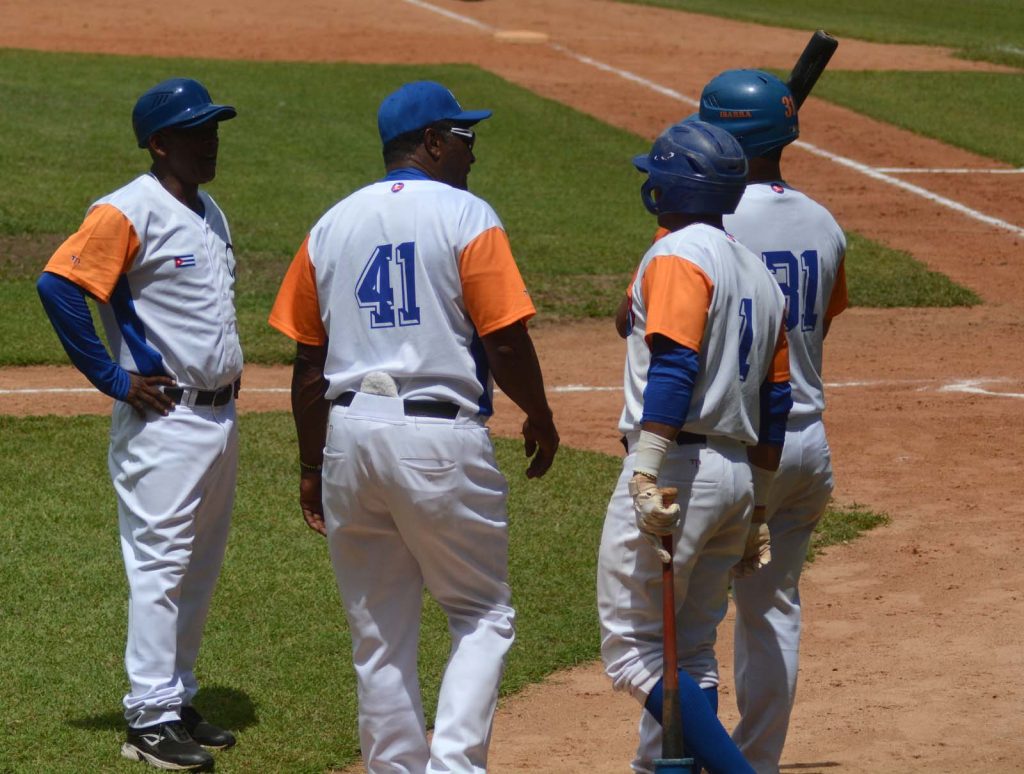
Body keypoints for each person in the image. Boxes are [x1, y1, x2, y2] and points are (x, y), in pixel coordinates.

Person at [268, 80, 559, 773]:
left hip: (349, 439)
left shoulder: (329, 224)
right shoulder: (466, 215)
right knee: (481, 614)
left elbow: (309, 367)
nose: (472, 152)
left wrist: (313, 466)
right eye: (464, 137)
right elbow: (507, 342)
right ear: (430, 142)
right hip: (436, 438)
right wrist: (541, 414)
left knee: (379, 637)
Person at [36, 78, 242, 771]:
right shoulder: (127, 210)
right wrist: (114, 379)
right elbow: (58, 285)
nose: (211, 141)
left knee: (199, 570)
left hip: (219, 419)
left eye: (213, 128)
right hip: (165, 423)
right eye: (196, 132)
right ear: (160, 144)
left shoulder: (209, 211)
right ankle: (147, 719)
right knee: (159, 569)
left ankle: (177, 698)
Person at [597, 119, 792, 774]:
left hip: (678, 468)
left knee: (632, 653)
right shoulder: (760, 276)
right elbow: (776, 404)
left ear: (671, 187)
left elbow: (674, 366)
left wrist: (646, 469)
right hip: (736, 476)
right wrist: (760, 508)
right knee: (694, 654)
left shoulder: (678, 255)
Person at [698, 69, 848, 774]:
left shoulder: (711, 219)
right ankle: (752, 764)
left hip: (730, 448)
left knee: (686, 620)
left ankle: (674, 758)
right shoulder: (824, 221)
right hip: (805, 442)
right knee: (772, 611)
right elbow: (825, 315)